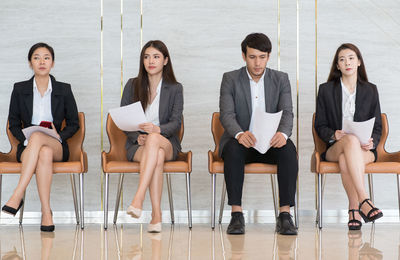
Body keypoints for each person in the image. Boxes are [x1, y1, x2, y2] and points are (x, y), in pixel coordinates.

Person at [219, 33, 298, 235]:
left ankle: (285, 215)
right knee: (233, 150)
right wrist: (238, 134)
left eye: (262, 57)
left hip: (271, 141)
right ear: (244, 56)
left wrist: (283, 133)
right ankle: (236, 215)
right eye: (252, 57)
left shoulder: (281, 79)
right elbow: (226, 114)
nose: (257, 62)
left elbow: (288, 112)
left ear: (268, 56)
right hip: (242, 141)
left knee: (289, 150)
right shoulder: (230, 78)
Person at [2, 42, 79, 232]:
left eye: (46, 58)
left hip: (58, 145)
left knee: (43, 143)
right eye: (36, 58)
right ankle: (46, 213)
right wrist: (27, 141)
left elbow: (74, 123)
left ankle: (17, 194)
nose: (42, 62)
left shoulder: (64, 89)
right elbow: (13, 122)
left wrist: (58, 136)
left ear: (52, 63)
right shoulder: (19, 89)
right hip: (29, 146)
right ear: (30, 63)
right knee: (41, 149)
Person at [315, 43, 383, 230]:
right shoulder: (326, 90)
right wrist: (333, 134)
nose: (347, 63)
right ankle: (364, 199)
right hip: (335, 148)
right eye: (342, 59)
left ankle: (354, 209)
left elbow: (378, 126)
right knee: (349, 142)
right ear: (337, 65)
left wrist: (372, 142)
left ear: (359, 62)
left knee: (347, 159)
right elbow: (319, 125)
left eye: (351, 58)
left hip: (364, 149)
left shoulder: (371, 90)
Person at [121, 40, 183, 233]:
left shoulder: (175, 88)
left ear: (165, 60)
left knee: (155, 141)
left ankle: (138, 199)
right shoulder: (133, 85)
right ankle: (156, 215)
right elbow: (123, 118)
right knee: (155, 156)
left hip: (167, 142)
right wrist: (136, 137)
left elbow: (175, 123)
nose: (151, 61)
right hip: (138, 144)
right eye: (146, 57)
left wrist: (157, 130)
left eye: (156, 56)